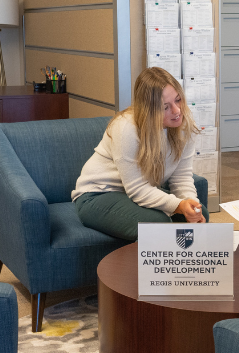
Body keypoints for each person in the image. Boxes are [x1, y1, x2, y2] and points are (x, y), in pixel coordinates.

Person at [73, 66, 207, 241]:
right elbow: (137, 189)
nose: (176, 111)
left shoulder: (183, 124)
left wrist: (190, 204)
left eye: (178, 100)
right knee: (158, 225)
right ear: (149, 110)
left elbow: (181, 178)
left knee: (200, 214)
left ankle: (180, 267)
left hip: (139, 193)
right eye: (165, 107)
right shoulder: (126, 128)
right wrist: (178, 205)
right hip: (98, 195)